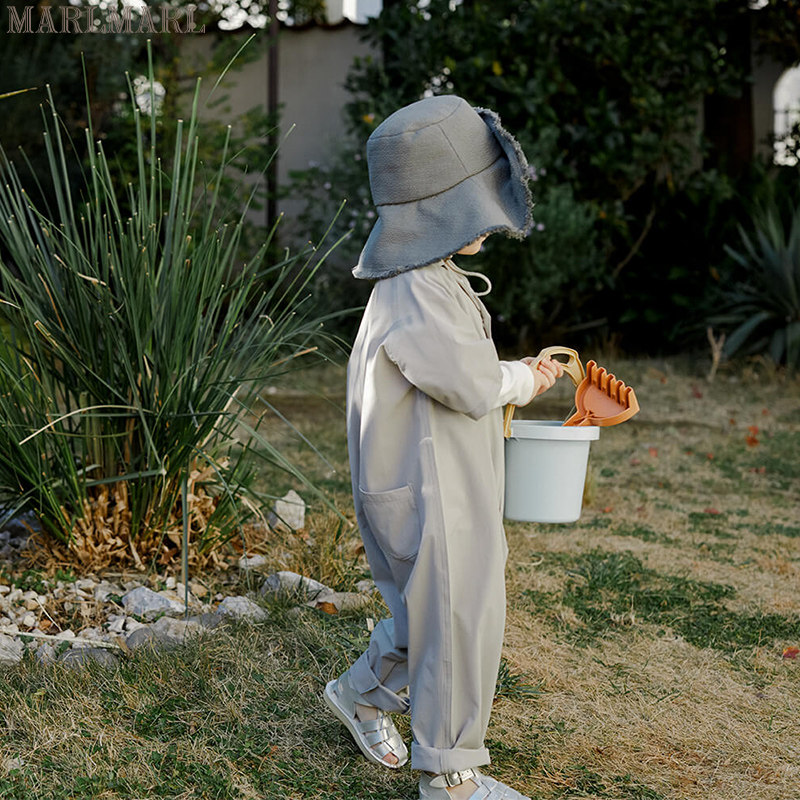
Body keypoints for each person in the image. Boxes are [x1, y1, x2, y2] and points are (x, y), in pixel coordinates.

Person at [323, 94, 564, 800]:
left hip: (429, 480)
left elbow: (458, 369)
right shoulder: (417, 287)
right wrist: (522, 379)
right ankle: (449, 774)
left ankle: (359, 694)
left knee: (424, 613)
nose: (486, 221)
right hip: (431, 490)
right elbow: (467, 381)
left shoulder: (425, 278)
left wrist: (515, 374)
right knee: (458, 616)